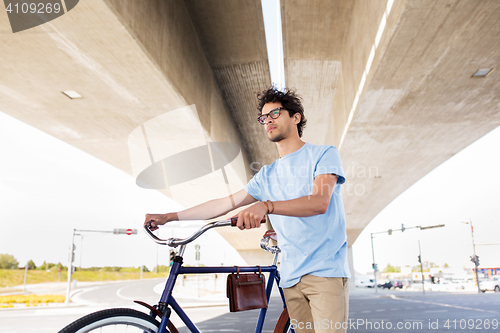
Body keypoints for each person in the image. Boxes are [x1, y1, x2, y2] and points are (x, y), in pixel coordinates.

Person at [145, 87, 350, 333]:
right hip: (291, 277)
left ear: (296, 117)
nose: (268, 120)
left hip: (324, 272)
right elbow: (224, 203)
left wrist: (266, 206)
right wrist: (170, 217)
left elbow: (319, 202)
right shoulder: (267, 175)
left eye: (275, 112)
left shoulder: (323, 154)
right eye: (264, 117)